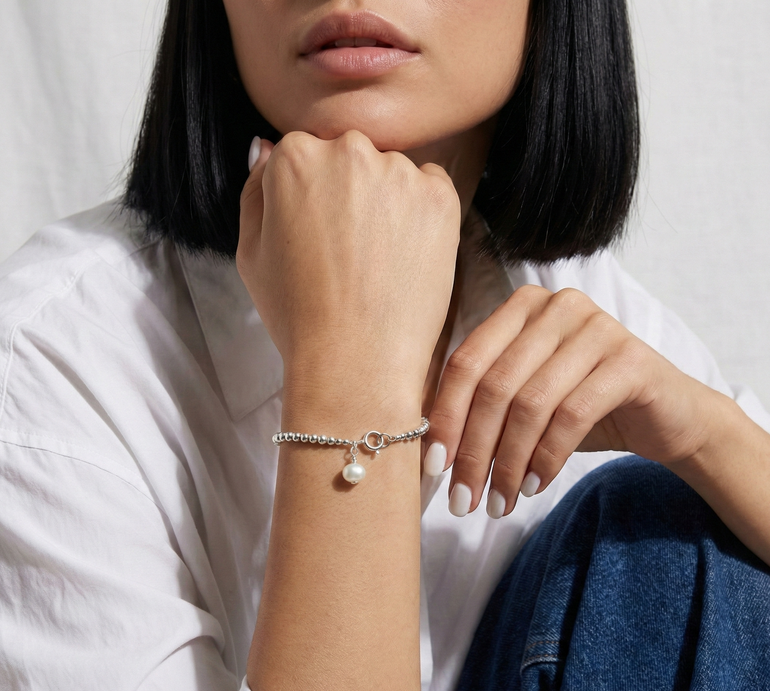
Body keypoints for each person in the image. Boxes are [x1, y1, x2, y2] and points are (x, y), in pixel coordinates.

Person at [1, 0, 769, 690]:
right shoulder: (48, 365)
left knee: (684, 526)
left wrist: (708, 435)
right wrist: (349, 367)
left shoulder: (581, 304)